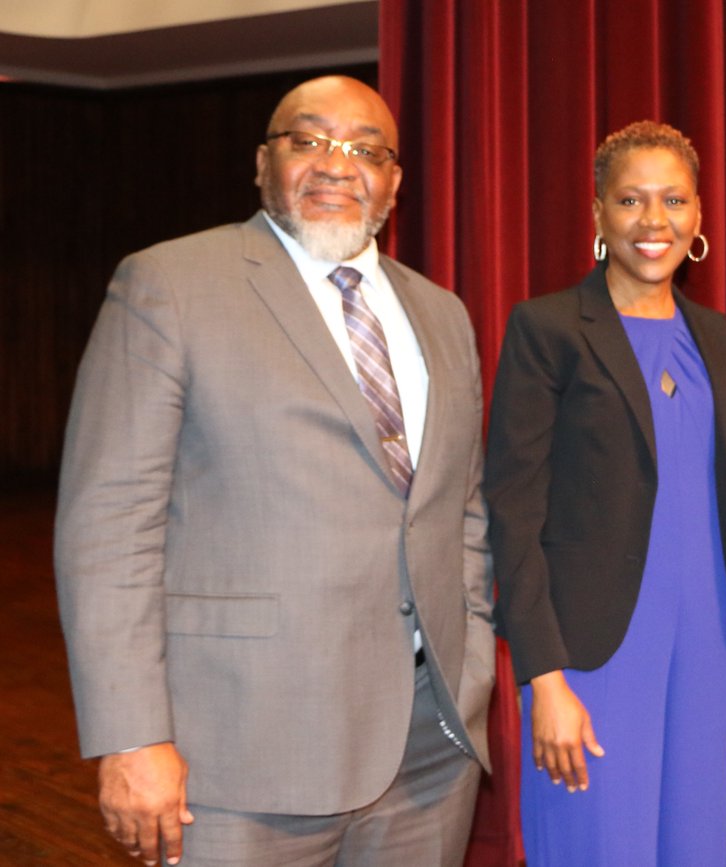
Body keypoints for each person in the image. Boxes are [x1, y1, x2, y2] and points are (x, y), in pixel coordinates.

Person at [54, 75, 493, 867]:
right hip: (239, 754)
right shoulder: (169, 285)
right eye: (309, 139)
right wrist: (131, 733)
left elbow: (460, 511)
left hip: (425, 751)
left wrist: (471, 671)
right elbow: (109, 524)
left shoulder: (443, 314)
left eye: (365, 149)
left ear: (394, 180)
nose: (336, 163)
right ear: (263, 162)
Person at [484, 121, 726, 866]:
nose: (654, 222)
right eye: (631, 200)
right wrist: (542, 676)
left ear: (699, 215)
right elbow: (512, 512)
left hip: (708, 649)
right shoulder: (547, 327)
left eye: (674, 200)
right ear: (598, 215)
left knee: (696, 850)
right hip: (592, 657)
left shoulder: (715, 334)